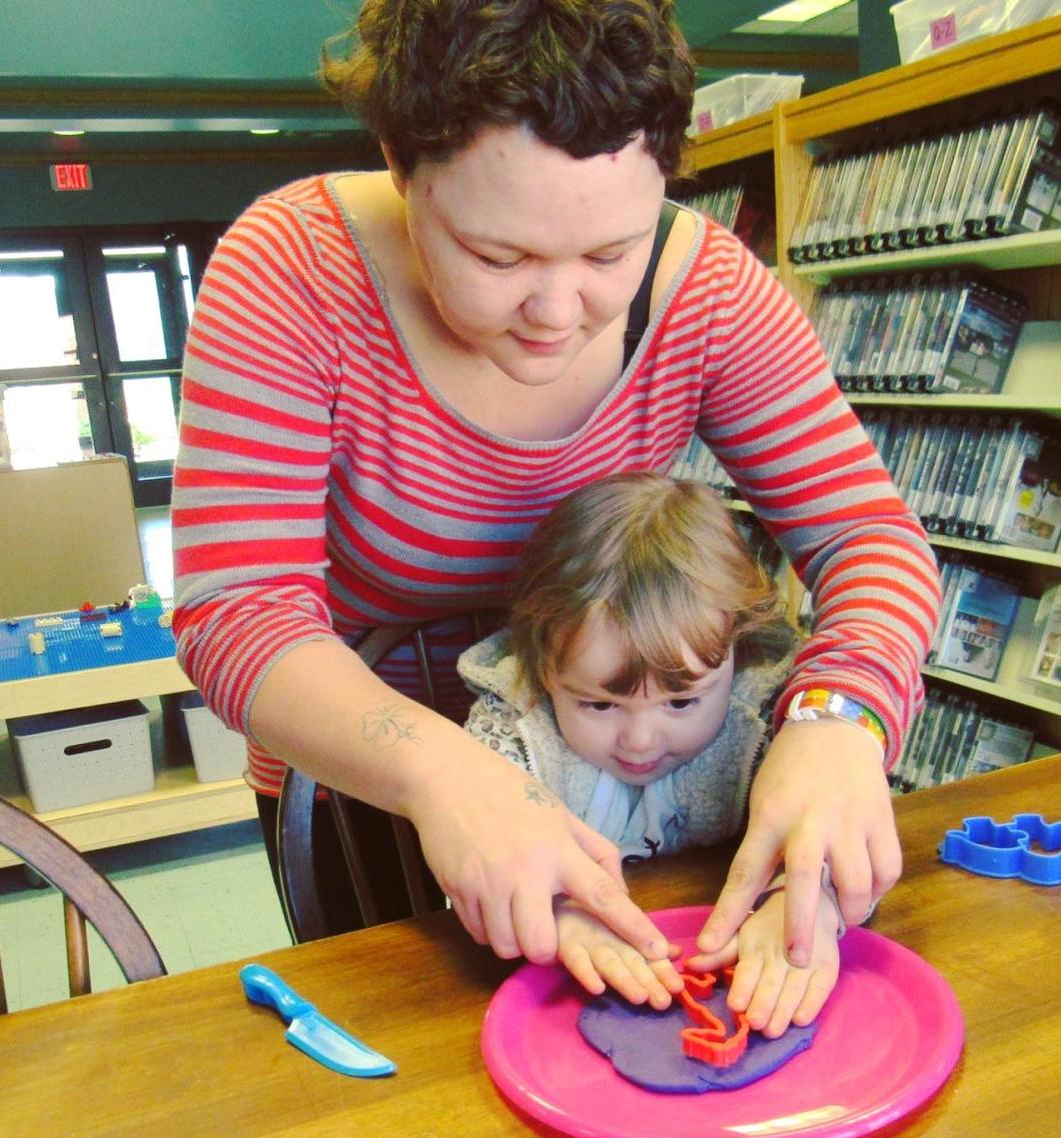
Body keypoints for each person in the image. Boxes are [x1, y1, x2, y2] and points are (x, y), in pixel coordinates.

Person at [170, 0, 940, 970]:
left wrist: (841, 716)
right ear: (401, 166)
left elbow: (870, 537)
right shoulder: (291, 270)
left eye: (611, 253)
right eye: (499, 256)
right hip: (370, 800)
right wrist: (451, 772)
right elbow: (237, 609)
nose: (557, 309)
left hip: (637, 779)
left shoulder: (707, 289)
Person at [460, 471, 851, 1034]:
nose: (640, 741)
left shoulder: (767, 721)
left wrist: (803, 898)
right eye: (599, 705)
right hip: (554, 1006)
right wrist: (553, 909)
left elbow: (836, 826)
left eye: (682, 701)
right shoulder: (512, 736)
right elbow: (482, 860)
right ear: (543, 671)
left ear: (738, 660)